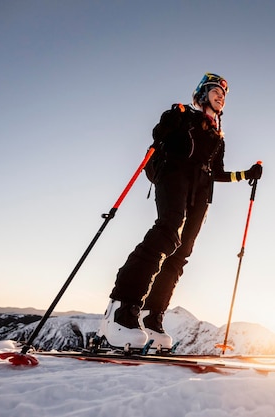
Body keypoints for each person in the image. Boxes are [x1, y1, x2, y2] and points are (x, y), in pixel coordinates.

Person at [97, 73, 263, 351]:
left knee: (181, 252)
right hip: (175, 175)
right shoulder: (184, 116)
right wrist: (167, 121)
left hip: (201, 192)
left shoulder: (217, 137)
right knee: (168, 231)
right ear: (202, 94)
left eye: (224, 94)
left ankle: (152, 317)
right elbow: (159, 136)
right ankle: (121, 309)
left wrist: (246, 174)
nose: (221, 96)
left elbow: (217, 173)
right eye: (215, 91)